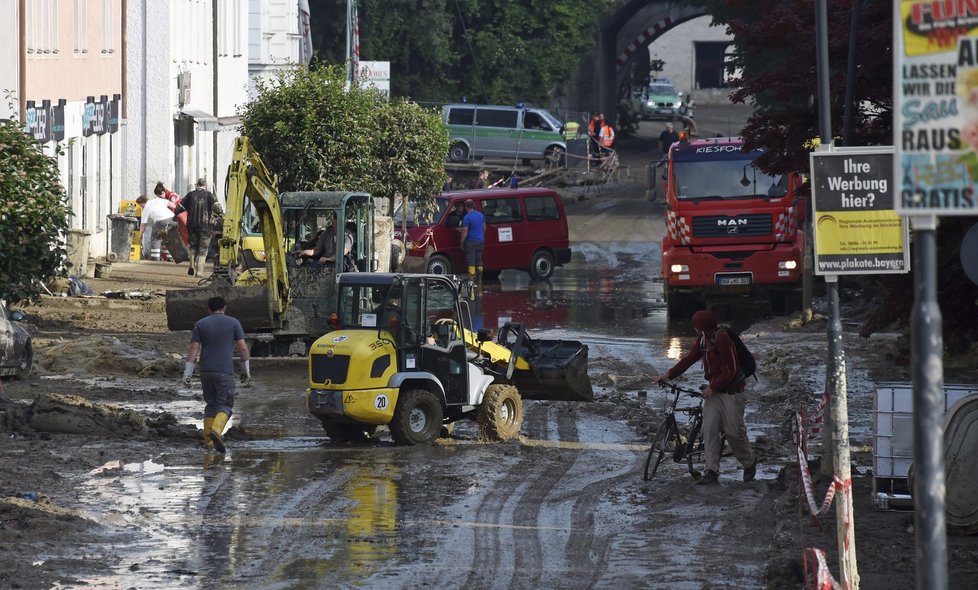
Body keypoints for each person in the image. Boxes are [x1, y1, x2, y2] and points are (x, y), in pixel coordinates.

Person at [653, 309, 757, 485]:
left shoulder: (721, 338)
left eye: (696, 326)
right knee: (709, 430)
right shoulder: (703, 339)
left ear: (701, 327)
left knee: (733, 432)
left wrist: (713, 387)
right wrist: (668, 374)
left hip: (732, 393)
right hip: (714, 394)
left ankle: (749, 462)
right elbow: (688, 359)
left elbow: (730, 369)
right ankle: (711, 471)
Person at [183, 296, 250, 454]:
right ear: (224, 308)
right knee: (226, 405)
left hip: (205, 372)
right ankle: (216, 432)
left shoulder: (200, 324)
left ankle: (209, 443)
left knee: (211, 405)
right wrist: (246, 372)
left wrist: (187, 373)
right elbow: (243, 348)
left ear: (209, 309)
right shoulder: (233, 323)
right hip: (224, 372)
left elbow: (194, 349)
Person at [174, 178, 221, 276]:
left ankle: (191, 264)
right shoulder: (210, 196)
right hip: (205, 227)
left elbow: (178, 209)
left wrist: (175, 216)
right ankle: (199, 271)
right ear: (205, 185)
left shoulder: (190, 195)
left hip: (191, 225)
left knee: (193, 246)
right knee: (203, 249)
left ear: (197, 185)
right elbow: (218, 209)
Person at [136, 194, 175, 261]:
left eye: (140, 205)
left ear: (142, 203)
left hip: (161, 220)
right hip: (173, 219)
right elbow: (172, 205)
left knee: (155, 236)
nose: (141, 207)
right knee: (168, 237)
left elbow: (143, 225)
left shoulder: (145, 209)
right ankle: (170, 257)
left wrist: (140, 235)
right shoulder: (157, 200)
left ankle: (155, 256)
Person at [459, 199, 486, 290]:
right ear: (473, 205)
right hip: (480, 241)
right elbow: (484, 229)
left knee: (471, 262)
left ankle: (471, 281)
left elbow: (465, 232)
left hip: (471, 242)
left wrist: (462, 242)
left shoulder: (467, 217)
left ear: (466, 207)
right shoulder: (481, 215)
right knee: (479, 260)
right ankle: (480, 280)